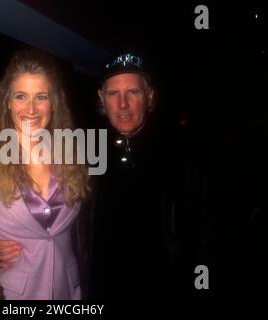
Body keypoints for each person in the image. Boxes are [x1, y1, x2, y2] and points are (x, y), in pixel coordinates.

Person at [89, 52, 209, 298]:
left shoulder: (183, 156)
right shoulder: (88, 156)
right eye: (113, 94)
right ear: (102, 99)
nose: (123, 105)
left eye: (133, 92)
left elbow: (204, 235)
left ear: (150, 96)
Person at [0, 49, 89, 299]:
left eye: (41, 97)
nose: (31, 109)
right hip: (14, 296)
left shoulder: (74, 157)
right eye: (21, 96)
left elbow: (87, 228)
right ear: (7, 102)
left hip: (68, 291)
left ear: (54, 103)